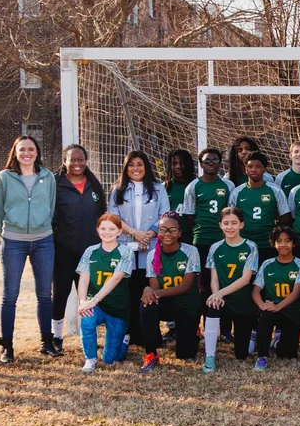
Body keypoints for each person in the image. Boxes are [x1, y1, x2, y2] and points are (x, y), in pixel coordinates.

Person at [0, 135, 57, 363]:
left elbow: (52, 204)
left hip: (43, 240)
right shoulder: (4, 177)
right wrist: (8, 233)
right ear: (15, 152)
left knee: (44, 295)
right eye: (22, 150)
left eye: (30, 149)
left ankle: (46, 342)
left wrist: (42, 224)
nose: (26, 153)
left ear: (36, 152)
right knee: (10, 295)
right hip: (13, 242)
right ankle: (7, 347)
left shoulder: (47, 177)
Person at [107, 150, 173, 352]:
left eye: (140, 164)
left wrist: (149, 235)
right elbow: (113, 216)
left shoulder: (158, 188)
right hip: (127, 245)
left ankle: (150, 335)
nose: (135, 168)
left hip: (150, 246)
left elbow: (165, 215)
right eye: (131, 165)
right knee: (131, 290)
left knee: (149, 288)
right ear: (126, 168)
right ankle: (132, 334)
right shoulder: (117, 189)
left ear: (146, 167)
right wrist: (135, 233)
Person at [49, 144, 108, 356]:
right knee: (61, 294)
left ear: (86, 160)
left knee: (89, 295)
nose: (77, 163)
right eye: (72, 159)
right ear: (64, 161)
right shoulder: (56, 185)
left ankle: (88, 335)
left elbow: (101, 214)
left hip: (89, 251)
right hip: (64, 249)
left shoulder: (94, 184)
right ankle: (55, 337)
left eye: (80, 159)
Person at [138, 212, 200, 373]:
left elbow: (185, 286)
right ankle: (151, 352)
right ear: (158, 231)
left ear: (180, 232)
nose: (167, 234)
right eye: (163, 229)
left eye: (173, 230)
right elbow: (154, 287)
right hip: (167, 303)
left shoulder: (190, 251)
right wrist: (149, 290)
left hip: (187, 304)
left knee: (185, 355)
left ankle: (193, 332)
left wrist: (152, 291)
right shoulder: (152, 255)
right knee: (147, 305)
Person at [203, 206, 260, 371]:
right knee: (212, 306)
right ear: (220, 224)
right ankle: (210, 357)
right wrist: (216, 296)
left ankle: (251, 337)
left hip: (243, 303)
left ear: (241, 225)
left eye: (234, 223)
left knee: (242, 354)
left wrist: (220, 293)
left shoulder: (250, 246)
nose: (230, 227)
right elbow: (214, 277)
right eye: (226, 223)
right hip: (223, 301)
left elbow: (245, 279)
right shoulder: (215, 247)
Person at [75, 212, 132, 371]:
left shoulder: (125, 252)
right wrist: (83, 302)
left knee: (110, 359)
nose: (107, 232)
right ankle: (90, 358)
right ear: (97, 230)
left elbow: (115, 278)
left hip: (117, 308)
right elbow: (84, 279)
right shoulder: (90, 251)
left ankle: (124, 340)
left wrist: (94, 300)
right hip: (97, 305)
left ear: (119, 231)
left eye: (112, 229)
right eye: (103, 228)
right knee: (86, 319)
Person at [179, 148, 236, 296]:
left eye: (214, 160)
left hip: (222, 239)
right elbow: (189, 215)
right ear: (201, 164)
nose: (211, 163)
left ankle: (221, 311)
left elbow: (231, 213)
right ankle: (207, 314)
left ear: (220, 162)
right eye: (207, 161)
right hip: (201, 239)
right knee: (204, 279)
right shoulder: (193, 186)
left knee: (222, 277)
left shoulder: (228, 185)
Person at [252, 227, 300, 369]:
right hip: (271, 308)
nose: (283, 244)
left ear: (294, 244)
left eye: (287, 241)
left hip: (291, 311)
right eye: (279, 241)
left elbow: (295, 293)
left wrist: (277, 307)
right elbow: (255, 291)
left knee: (287, 354)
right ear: (274, 244)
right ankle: (262, 356)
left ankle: (277, 342)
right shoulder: (267, 264)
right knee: (265, 317)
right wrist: (263, 306)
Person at [228, 151, 290, 263]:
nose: (254, 169)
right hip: (244, 243)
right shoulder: (237, 192)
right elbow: (231, 217)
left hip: (267, 244)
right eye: (250, 166)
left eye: (258, 166)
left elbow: (285, 215)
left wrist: (274, 233)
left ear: (265, 169)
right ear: (245, 169)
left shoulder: (275, 190)